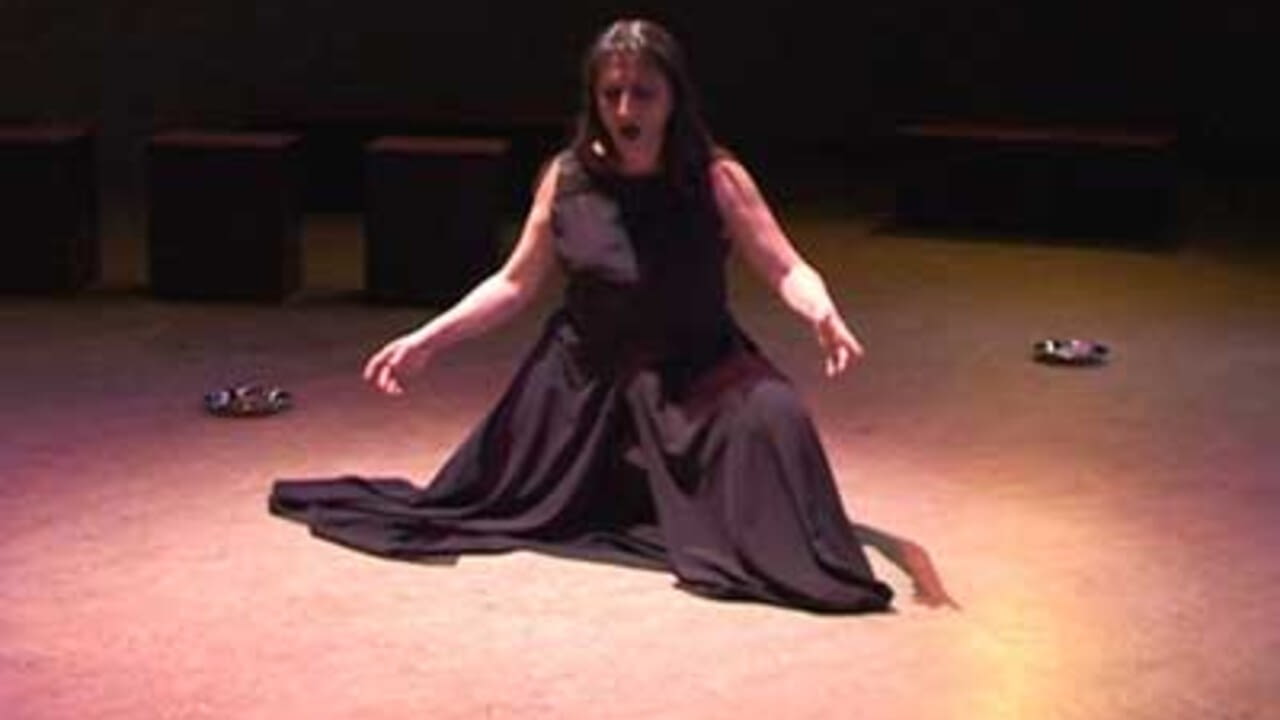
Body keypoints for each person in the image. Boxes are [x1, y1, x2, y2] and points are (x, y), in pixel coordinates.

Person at [270, 18, 895, 613]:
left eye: (643, 93)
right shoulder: (567, 178)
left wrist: (822, 310)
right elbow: (514, 283)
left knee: (777, 416)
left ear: (673, 99)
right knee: (496, 500)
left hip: (695, 364)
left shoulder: (716, 178)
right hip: (586, 373)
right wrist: (429, 338)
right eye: (611, 94)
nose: (626, 109)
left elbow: (786, 267)